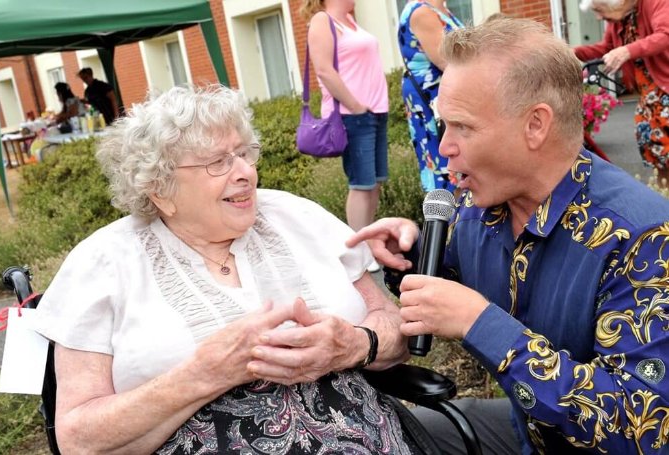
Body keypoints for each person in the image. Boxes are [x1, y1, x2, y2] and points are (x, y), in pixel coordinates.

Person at [33, 85, 417, 454]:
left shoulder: (298, 217)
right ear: (160, 189)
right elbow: (79, 440)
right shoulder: (103, 264)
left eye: (244, 153)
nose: (245, 173)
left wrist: (353, 344)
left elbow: (392, 327)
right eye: (219, 161)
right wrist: (205, 373)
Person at [348, 16, 669, 454]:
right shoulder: (480, 211)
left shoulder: (644, 238)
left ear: (535, 125)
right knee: (386, 434)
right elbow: (457, 274)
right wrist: (412, 251)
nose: (444, 147)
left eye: (463, 127)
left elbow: (642, 427)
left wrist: (482, 324)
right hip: (529, 435)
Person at [301, 0, 389, 244]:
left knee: (374, 183)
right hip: (352, 115)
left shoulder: (350, 21)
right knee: (361, 184)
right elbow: (324, 70)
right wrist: (356, 106)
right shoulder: (322, 21)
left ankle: (369, 242)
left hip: (375, 111)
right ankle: (358, 247)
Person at [574, 0, 669, 186]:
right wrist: (573, 52)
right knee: (655, 150)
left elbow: (665, 35)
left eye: (599, 10)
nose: (599, 17)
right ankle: (664, 200)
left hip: (665, 87)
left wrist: (627, 50)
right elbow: (606, 48)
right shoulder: (618, 18)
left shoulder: (656, 3)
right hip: (648, 95)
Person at [398, 0, 463, 192]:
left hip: (445, 100)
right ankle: (452, 221)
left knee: (458, 166)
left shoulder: (440, 9)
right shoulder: (422, 13)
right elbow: (448, 62)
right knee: (446, 168)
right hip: (432, 103)